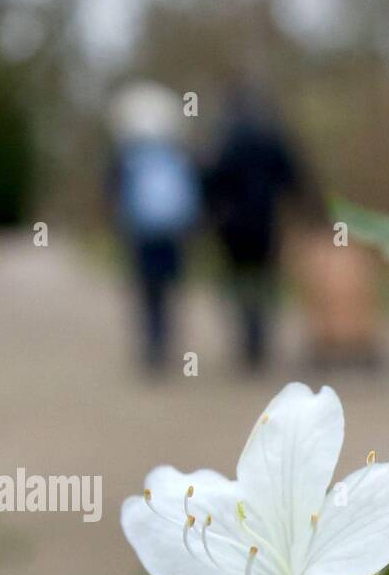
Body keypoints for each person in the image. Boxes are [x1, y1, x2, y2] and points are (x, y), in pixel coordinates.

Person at [202, 88, 310, 371]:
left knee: (238, 281)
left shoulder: (223, 138)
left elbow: (210, 179)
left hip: (232, 227)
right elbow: (293, 177)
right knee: (264, 281)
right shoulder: (271, 136)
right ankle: (259, 337)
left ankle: (247, 338)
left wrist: (209, 215)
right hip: (265, 223)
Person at [108, 82, 200, 372]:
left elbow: (114, 194)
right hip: (171, 235)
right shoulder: (176, 154)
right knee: (168, 290)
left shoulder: (128, 156)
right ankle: (164, 342)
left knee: (147, 291)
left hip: (141, 235)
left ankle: (153, 346)